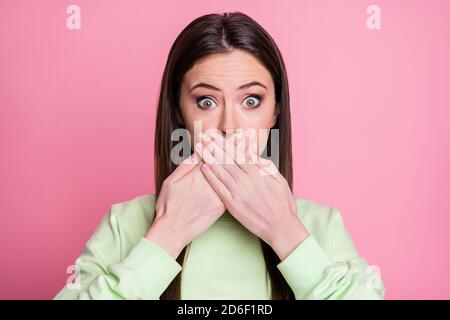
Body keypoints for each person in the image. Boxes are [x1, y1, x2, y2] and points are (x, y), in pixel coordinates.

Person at [54, 12, 385, 300]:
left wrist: (285, 232)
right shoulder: (125, 224)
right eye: (206, 102)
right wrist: (168, 233)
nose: (229, 127)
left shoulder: (319, 226)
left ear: (275, 113)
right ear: (179, 112)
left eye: (251, 101)